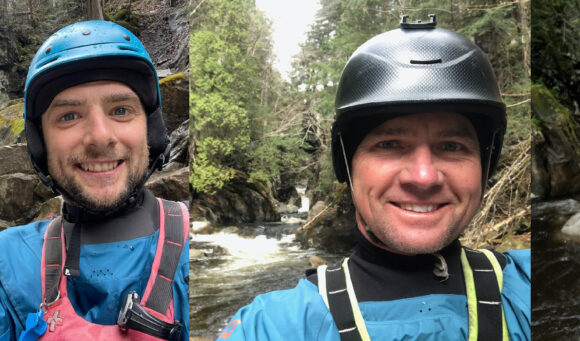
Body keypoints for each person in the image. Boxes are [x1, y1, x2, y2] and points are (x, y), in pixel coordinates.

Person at [215, 14, 530, 341]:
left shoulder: (526, 286)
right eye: (390, 144)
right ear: (347, 165)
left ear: (486, 164)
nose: (423, 177)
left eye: (451, 146)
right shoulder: (274, 326)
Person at [0, 21, 189, 340]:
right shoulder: (2, 270)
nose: (101, 137)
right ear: (41, 143)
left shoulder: (190, 248)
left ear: (150, 129)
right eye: (69, 116)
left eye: (120, 110)